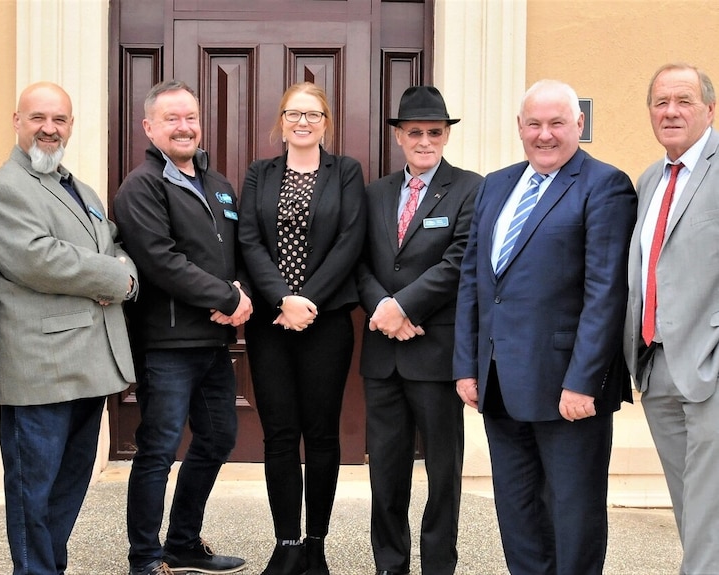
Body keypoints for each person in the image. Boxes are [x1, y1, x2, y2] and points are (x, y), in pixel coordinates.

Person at [453, 79, 636, 575]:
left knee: (572, 513)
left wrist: (584, 382)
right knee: (518, 511)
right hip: (498, 383)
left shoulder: (605, 184)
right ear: (519, 127)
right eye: (534, 123)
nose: (545, 134)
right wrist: (467, 366)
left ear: (579, 125)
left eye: (557, 123)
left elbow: (606, 292)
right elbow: (474, 280)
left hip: (566, 390)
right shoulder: (495, 184)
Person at [0, 82, 138, 575]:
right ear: (17, 121)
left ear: (71, 126)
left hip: (89, 365)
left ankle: (50, 569)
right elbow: (37, 257)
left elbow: (113, 244)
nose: (49, 128)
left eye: (60, 120)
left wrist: (122, 273)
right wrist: (117, 276)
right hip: (40, 368)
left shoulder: (80, 187)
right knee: (34, 493)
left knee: (68, 487)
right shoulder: (8, 185)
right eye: (38, 118)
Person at [113, 79, 250, 575]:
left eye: (190, 117)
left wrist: (236, 292)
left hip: (214, 342)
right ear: (150, 127)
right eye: (171, 118)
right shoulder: (141, 187)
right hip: (165, 345)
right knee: (159, 447)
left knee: (217, 439)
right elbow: (160, 261)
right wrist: (226, 296)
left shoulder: (220, 187)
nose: (184, 126)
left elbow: (235, 253)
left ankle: (183, 542)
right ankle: (145, 557)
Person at [238, 82, 366, 575]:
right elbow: (249, 240)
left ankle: (315, 545)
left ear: (326, 122)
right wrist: (282, 298)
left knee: (321, 433)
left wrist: (308, 300)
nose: (304, 122)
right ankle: (286, 542)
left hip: (327, 320)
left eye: (313, 114)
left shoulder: (346, 172)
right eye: (294, 113)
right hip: (272, 321)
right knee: (279, 434)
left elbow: (350, 240)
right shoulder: (260, 174)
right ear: (281, 121)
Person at [356, 86, 481, 575]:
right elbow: (359, 261)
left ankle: (437, 566)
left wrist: (404, 306)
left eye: (434, 132)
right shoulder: (375, 193)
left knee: (443, 472)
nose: (425, 140)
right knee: (386, 473)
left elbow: (460, 261)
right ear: (399, 137)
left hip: (436, 352)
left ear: (446, 135)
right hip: (382, 356)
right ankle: (390, 564)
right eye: (415, 132)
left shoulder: (472, 187)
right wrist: (383, 307)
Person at [623, 63, 719, 574]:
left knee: (711, 508)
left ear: (710, 108)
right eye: (661, 102)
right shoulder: (651, 178)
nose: (671, 112)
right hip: (658, 367)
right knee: (691, 509)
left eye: (683, 100)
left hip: (710, 366)